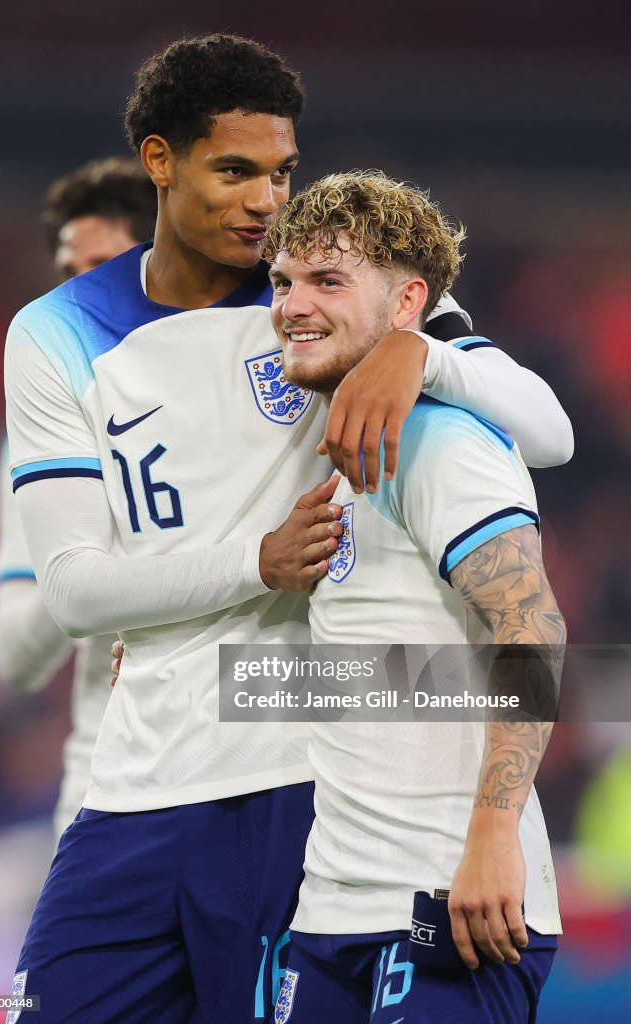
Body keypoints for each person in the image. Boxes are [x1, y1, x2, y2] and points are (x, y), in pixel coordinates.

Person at [4, 34, 571, 1024]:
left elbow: (548, 433)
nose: (266, 201)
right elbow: (73, 591)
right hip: (136, 780)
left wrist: (420, 353)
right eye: (235, 171)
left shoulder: (339, 285)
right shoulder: (56, 331)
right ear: (159, 161)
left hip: (298, 786)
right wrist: (254, 563)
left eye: (281, 172)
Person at [263, 171, 565, 1023]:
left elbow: (531, 625)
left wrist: (492, 840)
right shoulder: (340, 450)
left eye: (328, 281)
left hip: (449, 900)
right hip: (331, 908)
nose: (292, 306)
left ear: (406, 304)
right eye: (283, 282)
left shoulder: (438, 437)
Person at [0, 156, 156, 838]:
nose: (78, 295)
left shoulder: (261, 390)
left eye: (103, 268)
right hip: (104, 779)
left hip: (261, 773)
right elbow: (17, 658)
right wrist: (81, 555)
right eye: (68, 272)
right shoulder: (42, 433)